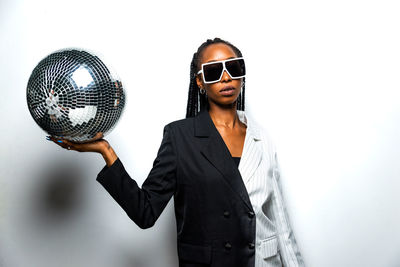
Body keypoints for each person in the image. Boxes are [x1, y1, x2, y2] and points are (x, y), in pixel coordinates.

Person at [49, 37, 305, 267]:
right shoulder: (180, 137)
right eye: (214, 71)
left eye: (234, 67)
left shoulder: (262, 138)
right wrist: (106, 150)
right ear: (200, 81)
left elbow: (282, 225)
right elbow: (145, 212)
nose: (226, 77)